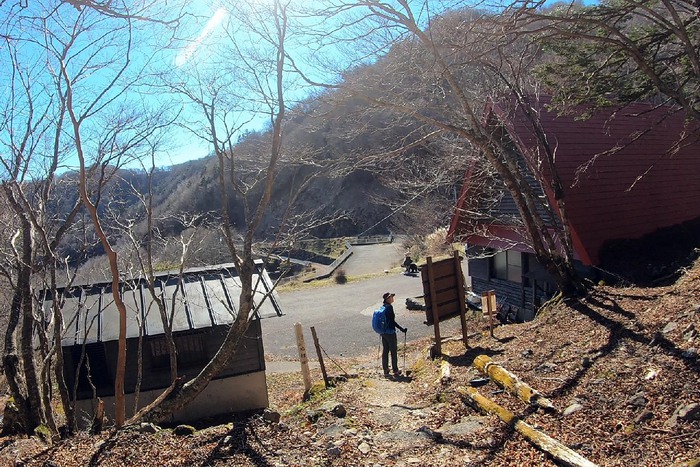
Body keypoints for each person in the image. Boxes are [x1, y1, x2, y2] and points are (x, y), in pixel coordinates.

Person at [379, 292, 407, 378]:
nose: (393, 298)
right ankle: (395, 370)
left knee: (385, 350)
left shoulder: (383, 307)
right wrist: (401, 329)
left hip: (383, 332)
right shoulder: (389, 307)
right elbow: (392, 321)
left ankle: (386, 370)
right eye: (391, 297)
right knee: (393, 351)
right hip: (390, 332)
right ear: (387, 299)